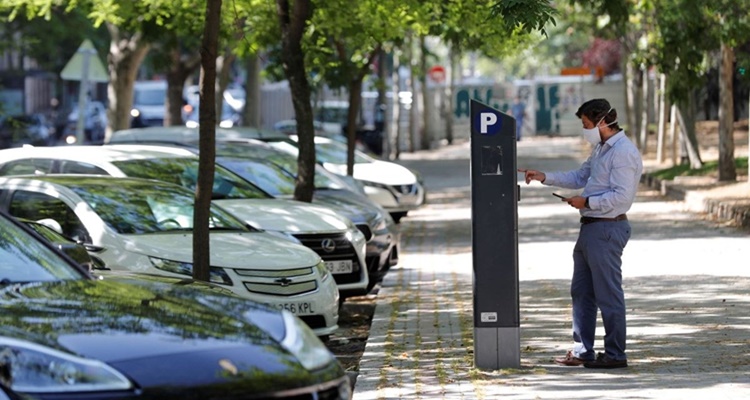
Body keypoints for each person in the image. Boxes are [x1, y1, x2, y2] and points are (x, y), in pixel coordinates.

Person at [518, 98, 643, 369]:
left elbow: (622, 197)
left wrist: (587, 202)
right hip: (590, 228)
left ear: (602, 122)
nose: (585, 130)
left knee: (608, 294)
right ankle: (583, 350)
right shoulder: (601, 149)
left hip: (607, 228)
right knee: (582, 293)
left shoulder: (623, 152)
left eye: (587, 124)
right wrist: (544, 176)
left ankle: (615, 355)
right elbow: (579, 177)